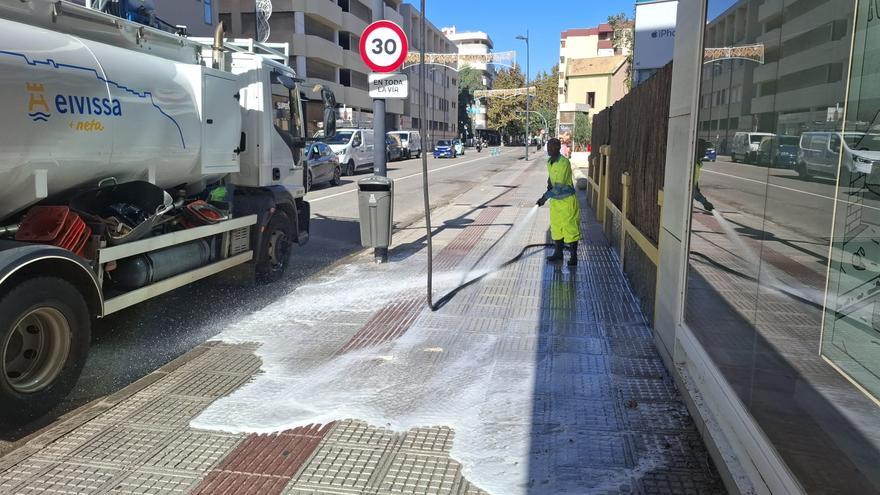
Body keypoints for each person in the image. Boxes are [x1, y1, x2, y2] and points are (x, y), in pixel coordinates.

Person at [536, 138, 581, 266]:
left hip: (567, 202)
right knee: (556, 227)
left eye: (551, 147)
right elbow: (552, 178)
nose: (549, 149)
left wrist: (544, 197)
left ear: (558, 148)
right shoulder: (549, 162)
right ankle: (558, 253)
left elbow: (559, 187)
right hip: (556, 202)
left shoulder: (564, 163)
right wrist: (549, 182)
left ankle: (573, 256)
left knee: (570, 228)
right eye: (548, 147)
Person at [694, 139, 715, 212]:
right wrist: (704, 202)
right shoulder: (693, 164)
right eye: (704, 149)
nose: (705, 151)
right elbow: (691, 190)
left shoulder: (697, 163)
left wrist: (696, 186)